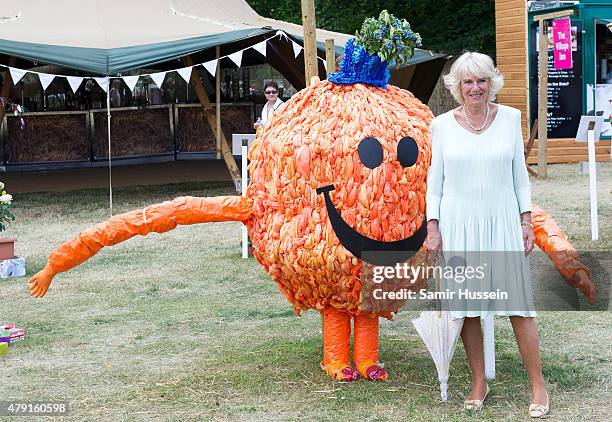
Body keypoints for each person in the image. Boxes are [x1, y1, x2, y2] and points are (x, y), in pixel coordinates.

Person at [424, 51, 549, 418]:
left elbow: (519, 178)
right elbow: (435, 183)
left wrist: (526, 222)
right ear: (457, 87)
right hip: (457, 224)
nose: (475, 87)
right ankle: (479, 381)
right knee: (467, 308)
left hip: (501, 222)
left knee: (519, 308)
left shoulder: (511, 119)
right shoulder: (441, 125)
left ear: (491, 82)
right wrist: (433, 227)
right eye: (468, 81)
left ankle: (538, 386)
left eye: (481, 80)